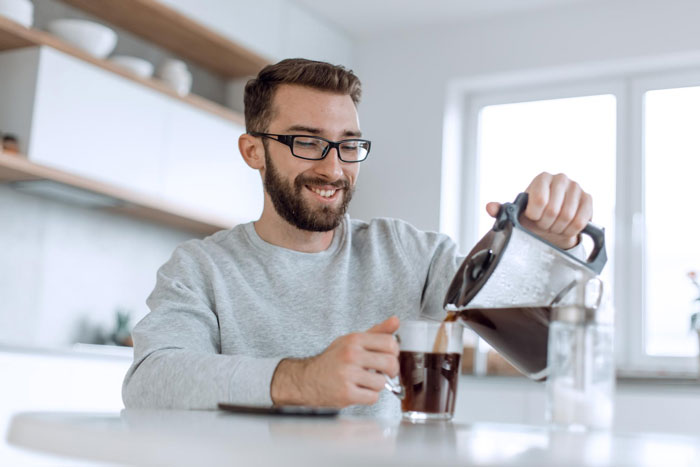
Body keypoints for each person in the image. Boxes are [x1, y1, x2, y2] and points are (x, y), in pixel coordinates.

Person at [122, 58, 593, 417]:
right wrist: (302, 379)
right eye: (306, 142)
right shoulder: (201, 267)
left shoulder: (412, 255)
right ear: (253, 151)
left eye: (349, 145)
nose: (333, 168)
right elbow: (150, 381)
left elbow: (551, 347)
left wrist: (547, 248)